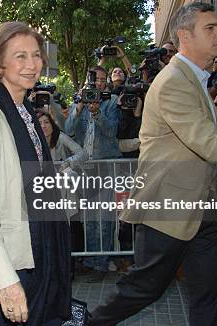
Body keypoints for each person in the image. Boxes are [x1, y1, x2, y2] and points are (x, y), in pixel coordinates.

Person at [90, 2, 217, 325]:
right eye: (211, 28)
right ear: (185, 36)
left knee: (212, 292)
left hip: (201, 209)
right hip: (167, 207)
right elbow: (209, 144)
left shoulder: (197, 79)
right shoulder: (174, 81)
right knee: (145, 289)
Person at [0, 21, 72, 325]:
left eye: (36, 55)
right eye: (20, 56)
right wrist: (6, 283)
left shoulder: (26, 114)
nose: (32, 64)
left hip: (37, 249)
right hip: (8, 261)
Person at [65, 65, 122, 282]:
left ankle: (101, 263)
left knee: (104, 218)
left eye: (100, 79)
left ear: (105, 81)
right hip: (84, 167)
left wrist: (97, 112)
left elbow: (111, 131)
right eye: (93, 79)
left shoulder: (110, 102)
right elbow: (68, 129)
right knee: (89, 218)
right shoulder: (80, 100)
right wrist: (79, 108)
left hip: (105, 165)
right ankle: (89, 261)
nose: (97, 83)